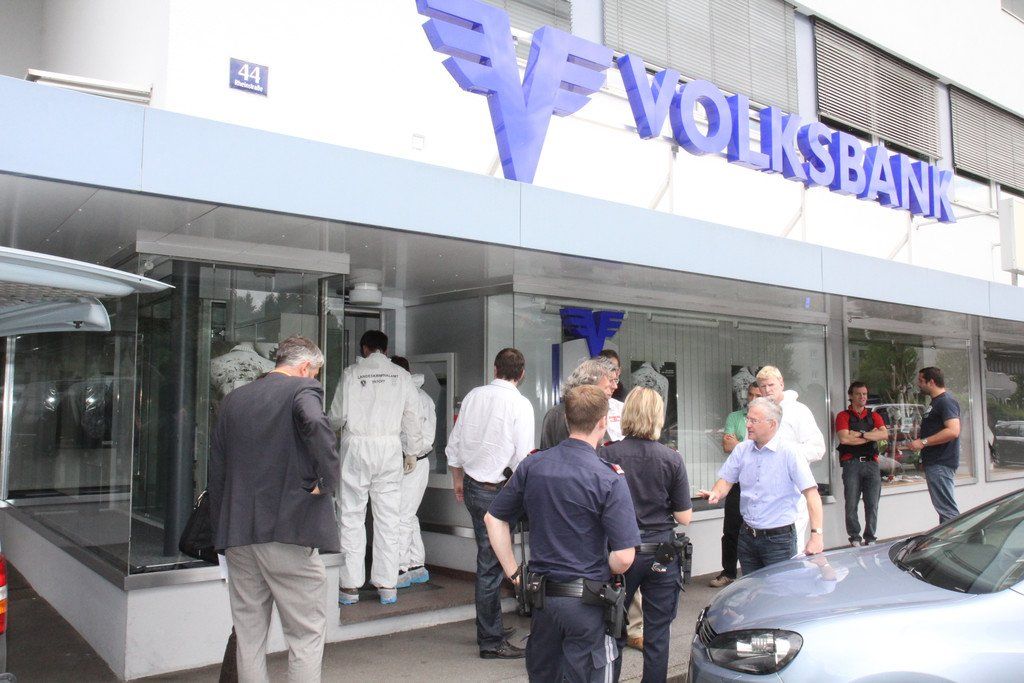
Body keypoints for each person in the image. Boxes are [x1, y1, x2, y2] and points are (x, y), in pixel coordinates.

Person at [484, 385, 641, 682]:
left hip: (544, 602)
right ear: (602, 422)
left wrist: (514, 574)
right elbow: (624, 557)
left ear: (567, 419)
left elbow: (493, 518)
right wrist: (603, 568)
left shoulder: (533, 465)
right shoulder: (608, 477)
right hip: (588, 603)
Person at [209, 335, 339, 683]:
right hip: (287, 531)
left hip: (238, 533)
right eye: (316, 373)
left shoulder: (234, 400)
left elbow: (217, 470)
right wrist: (328, 480)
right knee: (306, 632)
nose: (316, 379)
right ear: (304, 367)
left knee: (249, 636)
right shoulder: (301, 389)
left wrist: (221, 529)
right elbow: (316, 423)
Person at [446, 348, 535, 660]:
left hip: (472, 485)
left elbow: (455, 443)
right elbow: (524, 458)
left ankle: (489, 625)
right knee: (491, 565)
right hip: (498, 491)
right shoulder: (520, 404)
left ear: (495, 369)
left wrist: (457, 479)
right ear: (521, 374)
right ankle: (490, 641)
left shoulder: (473, 396)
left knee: (489, 560)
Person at [600, 387, 692, 683]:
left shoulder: (606, 454)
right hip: (661, 553)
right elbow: (684, 517)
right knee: (658, 633)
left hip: (620, 552)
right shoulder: (671, 458)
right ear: (658, 417)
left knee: (612, 628)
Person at [330, 330, 421, 606]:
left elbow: (336, 416)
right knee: (388, 518)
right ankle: (387, 585)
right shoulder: (401, 376)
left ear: (364, 348)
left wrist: (332, 431)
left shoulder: (351, 374)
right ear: (386, 349)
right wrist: (412, 451)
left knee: (351, 516)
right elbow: (412, 417)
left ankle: (349, 586)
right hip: (389, 448)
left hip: (357, 446)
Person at [699, 397, 824, 573]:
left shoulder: (790, 452)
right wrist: (716, 493)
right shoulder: (742, 449)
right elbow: (726, 480)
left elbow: (812, 495)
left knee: (780, 588)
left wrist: (816, 535)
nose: (748, 425)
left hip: (779, 540)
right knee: (753, 588)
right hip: (747, 536)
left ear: (772, 424)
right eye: (747, 419)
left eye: (754, 421)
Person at [756, 365, 825, 550]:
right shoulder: (759, 413)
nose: (767, 390)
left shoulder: (799, 411)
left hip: (793, 490)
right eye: (763, 386)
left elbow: (818, 448)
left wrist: (786, 456)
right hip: (764, 493)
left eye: (771, 385)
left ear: (781, 383)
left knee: (792, 547)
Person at [710, 381, 762, 588]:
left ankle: (757, 575)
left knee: (757, 528)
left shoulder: (769, 419)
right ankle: (728, 572)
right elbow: (726, 445)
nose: (753, 399)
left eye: (757, 395)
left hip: (759, 482)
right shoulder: (735, 417)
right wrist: (748, 445)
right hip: (737, 481)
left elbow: (752, 447)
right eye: (750, 394)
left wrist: (739, 445)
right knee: (731, 528)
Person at [391, 356, 437, 587]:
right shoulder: (419, 396)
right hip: (409, 461)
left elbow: (421, 437)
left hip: (413, 461)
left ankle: (399, 569)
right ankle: (416, 565)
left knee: (402, 515)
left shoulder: (417, 398)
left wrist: (407, 451)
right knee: (408, 514)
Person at [835, 381, 888, 546]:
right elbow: (844, 439)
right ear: (851, 396)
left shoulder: (874, 416)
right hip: (852, 464)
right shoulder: (843, 416)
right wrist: (870, 435)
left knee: (872, 503)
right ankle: (855, 538)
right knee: (851, 503)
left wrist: (860, 435)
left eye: (864, 394)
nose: (862, 397)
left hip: (872, 464)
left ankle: (870, 537)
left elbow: (884, 435)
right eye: (858, 394)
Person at [909, 367, 961, 524]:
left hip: (940, 462)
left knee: (947, 510)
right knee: (944, 509)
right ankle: (945, 537)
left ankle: (956, 537)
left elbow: (953, 431)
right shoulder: (936, 402)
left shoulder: (946, 401)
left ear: (931, 382)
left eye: (921, 381)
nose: (918, 384)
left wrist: (923, 442)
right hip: (935, 462)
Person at [540, 357, 618, 449]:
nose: (615, 386)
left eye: (616, 380)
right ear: (590, 383)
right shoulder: (559, 415)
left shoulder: (611, 408)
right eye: (610, 380)